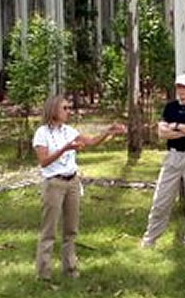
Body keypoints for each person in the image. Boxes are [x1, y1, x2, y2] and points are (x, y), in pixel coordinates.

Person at [33, 95, 125, 280]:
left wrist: (109, 131)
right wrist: (65, 149)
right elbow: (43, 162)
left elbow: (91, 142)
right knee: (49, 230)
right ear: (53, 111)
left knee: (71, 229)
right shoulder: (42, 133)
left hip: (72, 182)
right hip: (54, 183)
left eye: (68, 108)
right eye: (64, 108)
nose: (69, 111)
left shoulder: (69, 130)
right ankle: (43, 274)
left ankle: (71, 269)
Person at [141, 74, 185, 248]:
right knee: (161, 199)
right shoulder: (170, 108)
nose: (181, 90)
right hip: (173, 156)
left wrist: (177, 126)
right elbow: (162, 132)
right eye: (179, 87)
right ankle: (150, 239)